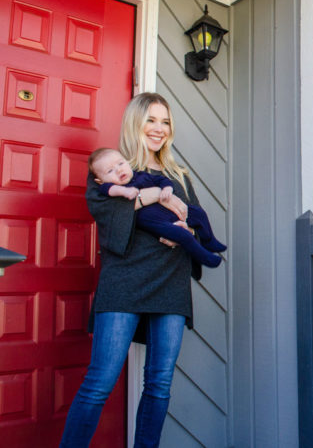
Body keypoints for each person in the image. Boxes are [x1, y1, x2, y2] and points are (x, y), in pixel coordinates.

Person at [60, 92, 215, 447]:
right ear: (135, 122)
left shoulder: (178, 174)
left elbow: (198, 224)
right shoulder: (113, 170)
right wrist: (149, 198)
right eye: (151, 120)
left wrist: (186, 233)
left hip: (170, 283)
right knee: (100, 381)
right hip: (124, 281)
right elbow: (107, 218)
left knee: (159, 383)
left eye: (165, 121)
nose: (159, 129)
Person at [88, 147, 226, 267]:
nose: (118, 170)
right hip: (151, 220)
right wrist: (125, 191)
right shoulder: (109, 187)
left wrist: (166, 189)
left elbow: (161, 180)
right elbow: (111, 190)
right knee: (181, 235)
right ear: (100, 181)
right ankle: (205, 257)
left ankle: (209, 240)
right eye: (110, 171)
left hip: (168, 213)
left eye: (120, 164)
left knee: (198, 214)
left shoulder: (140, 175)